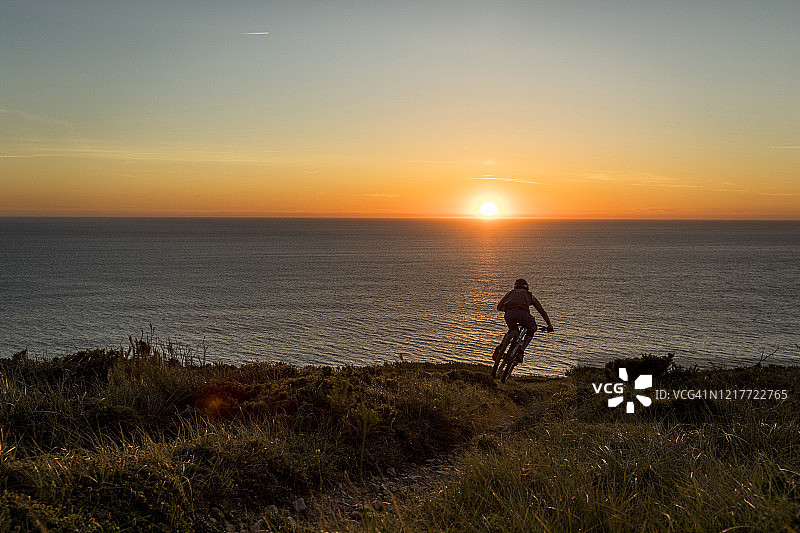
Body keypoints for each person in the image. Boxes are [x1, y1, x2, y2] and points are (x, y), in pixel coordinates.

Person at [493, 278, 554, 363]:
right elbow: (542, 312)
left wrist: (510, 309)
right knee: (532, 329)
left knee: (512, 330)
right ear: (526, 287)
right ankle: (521, 351)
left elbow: (499, 307)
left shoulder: (509, 293)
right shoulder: (529, 295)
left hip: (509, 315)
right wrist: (549, 325)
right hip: (523, 315)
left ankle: (500, 347)